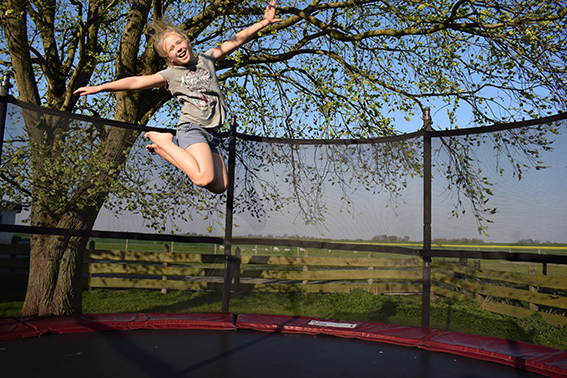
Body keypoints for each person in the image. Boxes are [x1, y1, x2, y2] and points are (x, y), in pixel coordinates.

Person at [74, 1, 281, 194]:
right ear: (169, 58)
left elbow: (235, 40)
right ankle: (165, 140)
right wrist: (100, 87)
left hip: (213, 133)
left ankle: (164, 149)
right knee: (203, 178)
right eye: (171, 49)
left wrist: (264, 22)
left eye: (179, 42)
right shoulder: (170, 74)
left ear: (188, 42)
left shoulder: (206, 59)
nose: (178, 48)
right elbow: (136, 82)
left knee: (220, 186)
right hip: (192, 128)